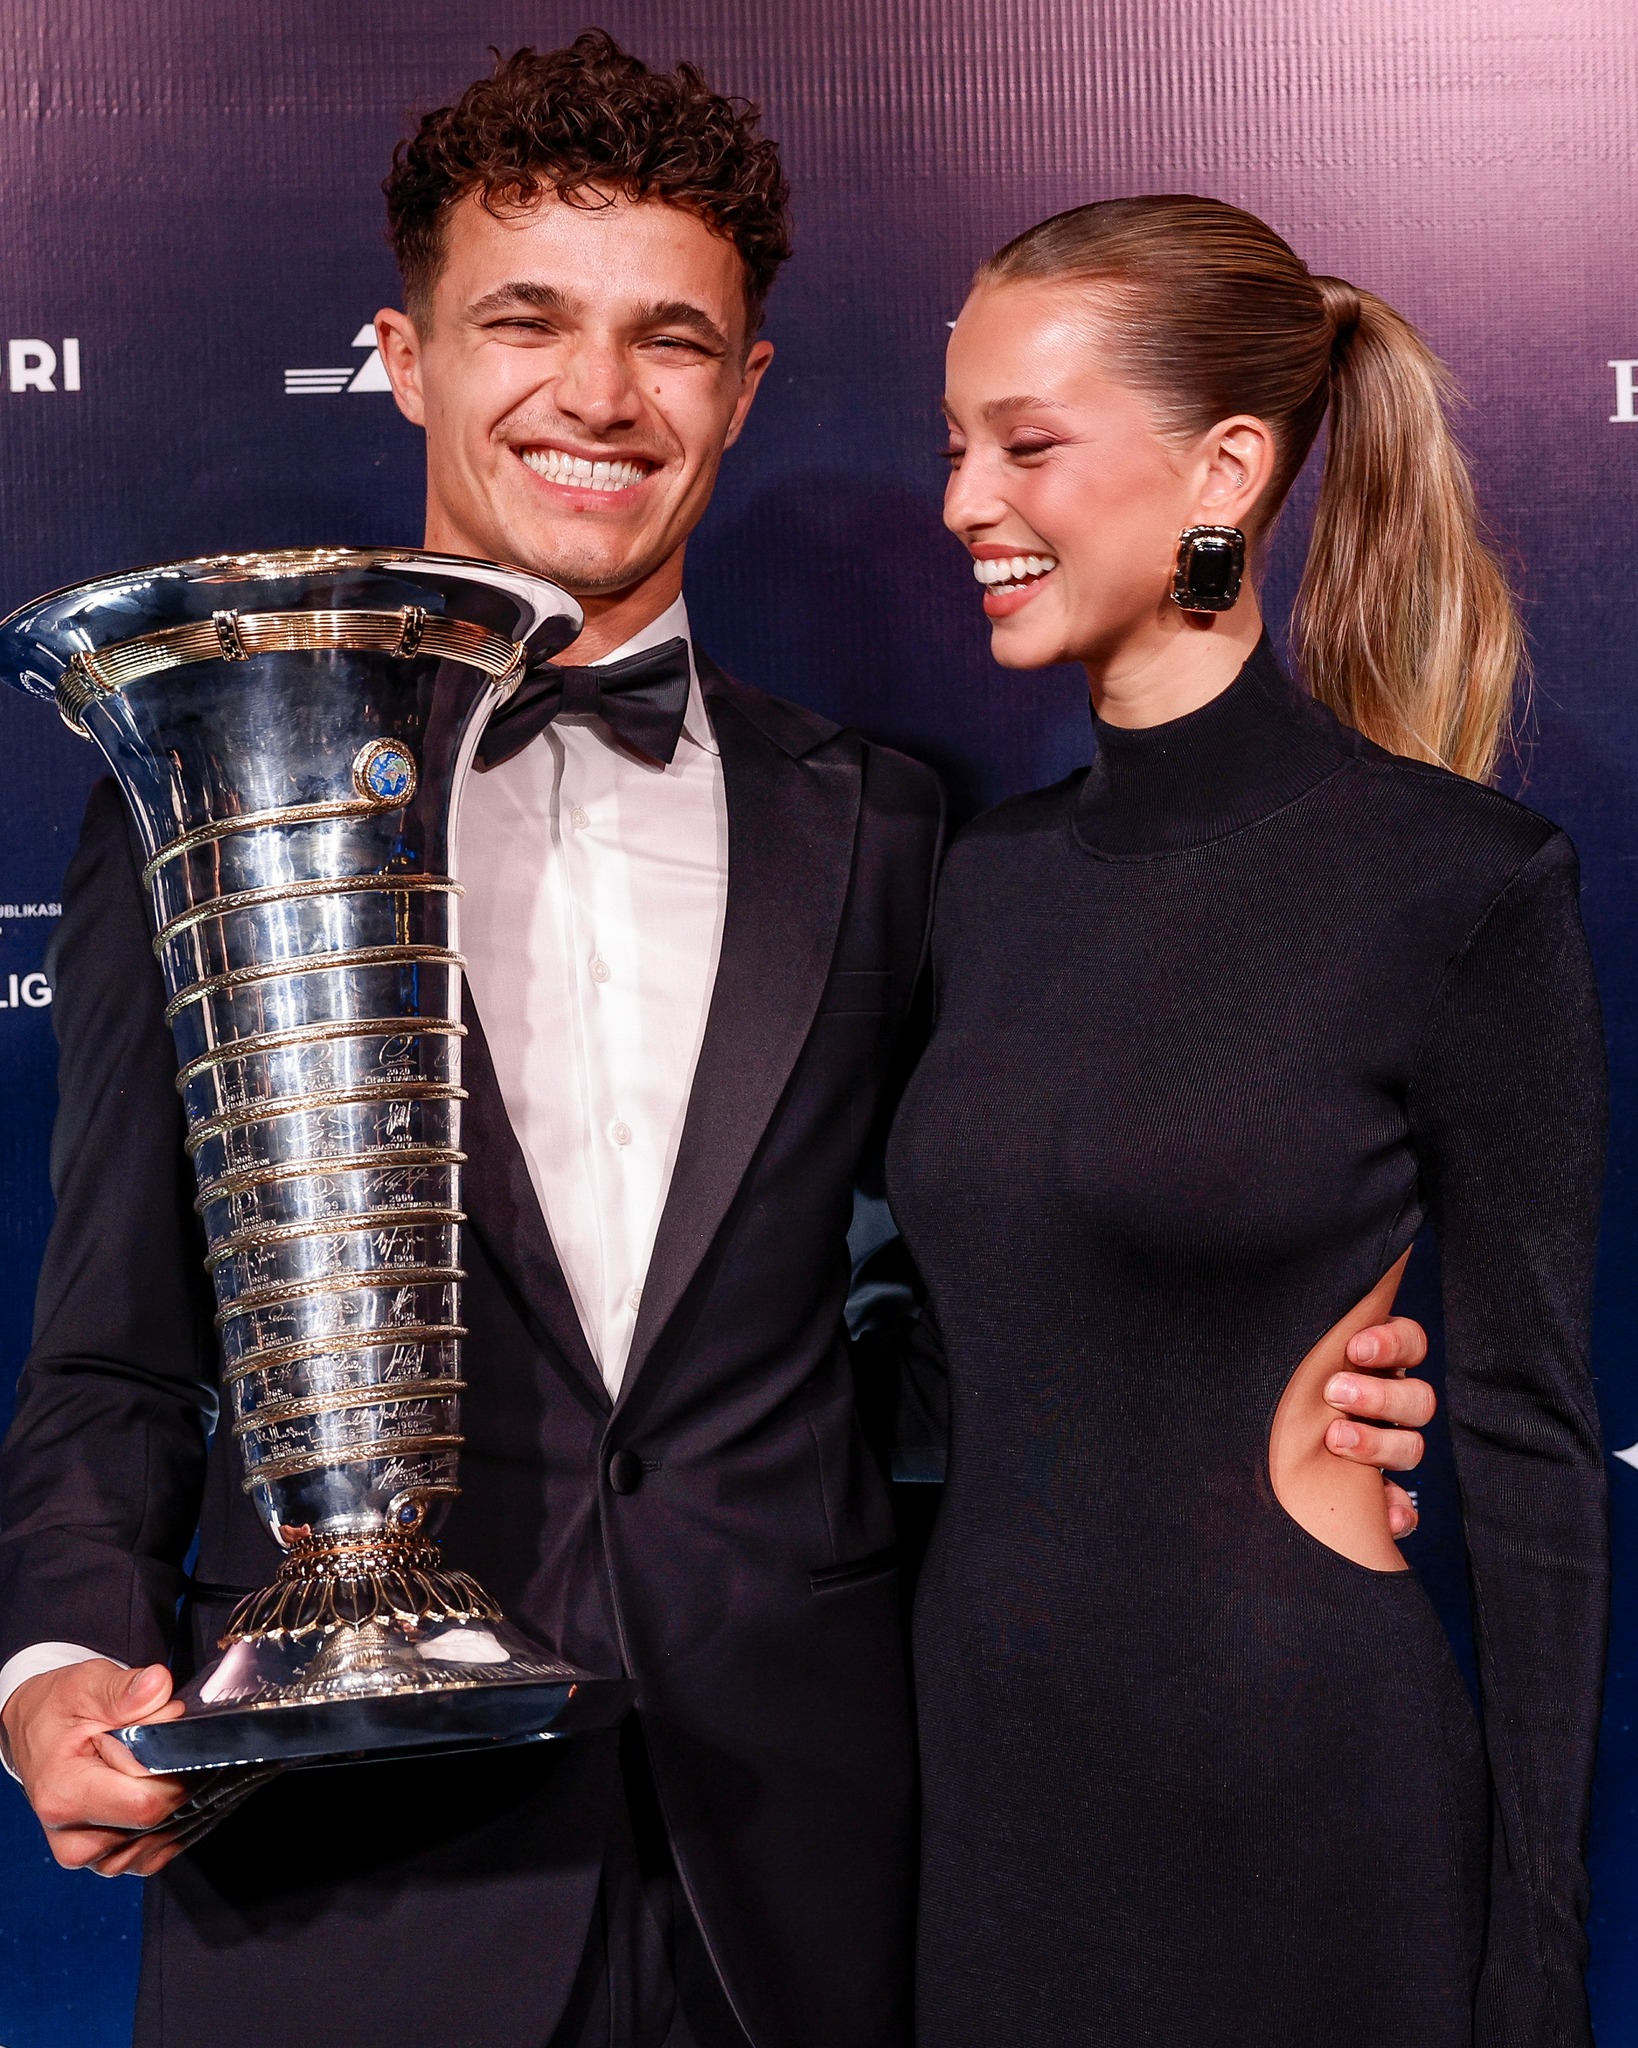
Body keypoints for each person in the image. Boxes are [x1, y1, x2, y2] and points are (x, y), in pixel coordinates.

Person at [0, 45, 1438, 2048]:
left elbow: (984, 1303)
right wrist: (59, 1656)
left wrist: (1256, 1392)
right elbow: (110, 1344)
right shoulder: (198, 808)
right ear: (404, 357)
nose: (599, 394)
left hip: (804, 1877)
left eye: (669, 338)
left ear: (745, 388)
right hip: (354, 1887)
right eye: (529, 322)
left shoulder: (896, 827)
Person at [887, 193, 1610, 2048]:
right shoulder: (980, 883)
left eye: (1026, 445)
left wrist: (1534, 1951)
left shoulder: (1454, 883)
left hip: (1300, 1809)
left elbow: (1531, 1449)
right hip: (984, 1814)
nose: (967, 500)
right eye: (955, 444)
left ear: (1225, 466)